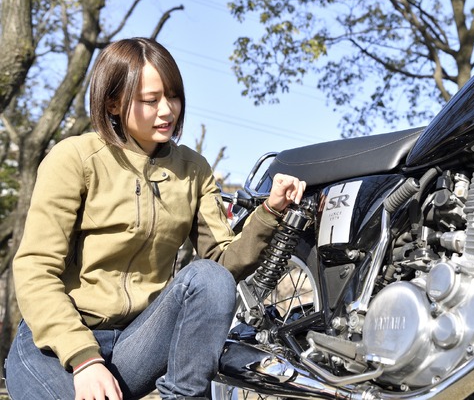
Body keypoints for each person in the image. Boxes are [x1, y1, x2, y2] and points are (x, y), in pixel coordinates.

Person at [5, 37, 306, 400]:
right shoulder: (75, 158)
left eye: (173, 96)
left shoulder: (193, 169)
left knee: (208, 278)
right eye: (150, 100)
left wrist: (270, 212)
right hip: (55, 347)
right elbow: (36, 269)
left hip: (137, 342)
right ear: (113, 103)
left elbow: (221, 266)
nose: (167, 111)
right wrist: (85, 360)